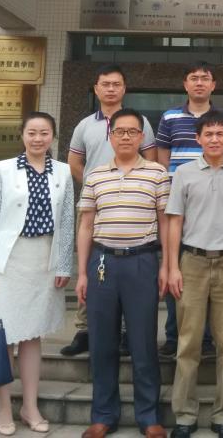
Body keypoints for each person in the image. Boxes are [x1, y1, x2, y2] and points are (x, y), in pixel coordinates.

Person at [0, 111, 74, 436]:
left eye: (44, 133)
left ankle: (29, 406)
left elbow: (67, 222)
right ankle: (3, 405)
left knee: (32, 336)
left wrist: (64, 264)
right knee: (2, 336)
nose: (37, 138)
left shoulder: (63, 171)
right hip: (8, 262)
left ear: (53, 136)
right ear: (22, 135)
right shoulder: (2, 170)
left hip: (43, 261)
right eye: (32, 132)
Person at [76, 109, 169, 438]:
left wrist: (166, 265)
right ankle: (103, 415)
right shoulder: (95, 175)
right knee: (102, 342)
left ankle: (149, 417)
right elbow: (86, 225)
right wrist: (82, 273)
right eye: (120, 131)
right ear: (110, 136)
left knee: (143, 342)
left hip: (142, 262)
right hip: (102, 263)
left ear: (142, 137)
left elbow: (166, 223)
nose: (126, 137)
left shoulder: (158, 174)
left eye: (132, 132)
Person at [165, 111, 223, 438]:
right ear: (198, 138)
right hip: (192, 262)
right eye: (209, 134)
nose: (215, 139)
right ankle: (184, 415)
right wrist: (172, 266)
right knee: (188, 343)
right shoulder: (184, 173)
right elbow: (175, 220)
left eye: (220, 134)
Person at [62, 64, 156, 358]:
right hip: (95, 205)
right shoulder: (85, 125)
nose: (111, 89)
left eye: (116, 84)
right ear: (96, 89)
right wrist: (98, 186)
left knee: (127, 271)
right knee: (89, 265)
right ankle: (84, 329)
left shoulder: (140, 123)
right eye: (105, 84)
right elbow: (74, 162)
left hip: (132, 206)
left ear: (124, 88)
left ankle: (126, 331)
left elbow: (152, 159)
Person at [156, 61, 223, 359]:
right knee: (176, 271)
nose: (200, 83)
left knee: (212, 279)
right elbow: (163, 160)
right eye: (194, 78)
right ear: (185, 84)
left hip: (216, 206)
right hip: (180, 204)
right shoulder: (170, 117)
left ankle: (206, 338)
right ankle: (173, 335)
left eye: (205, 78)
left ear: (214, 85)